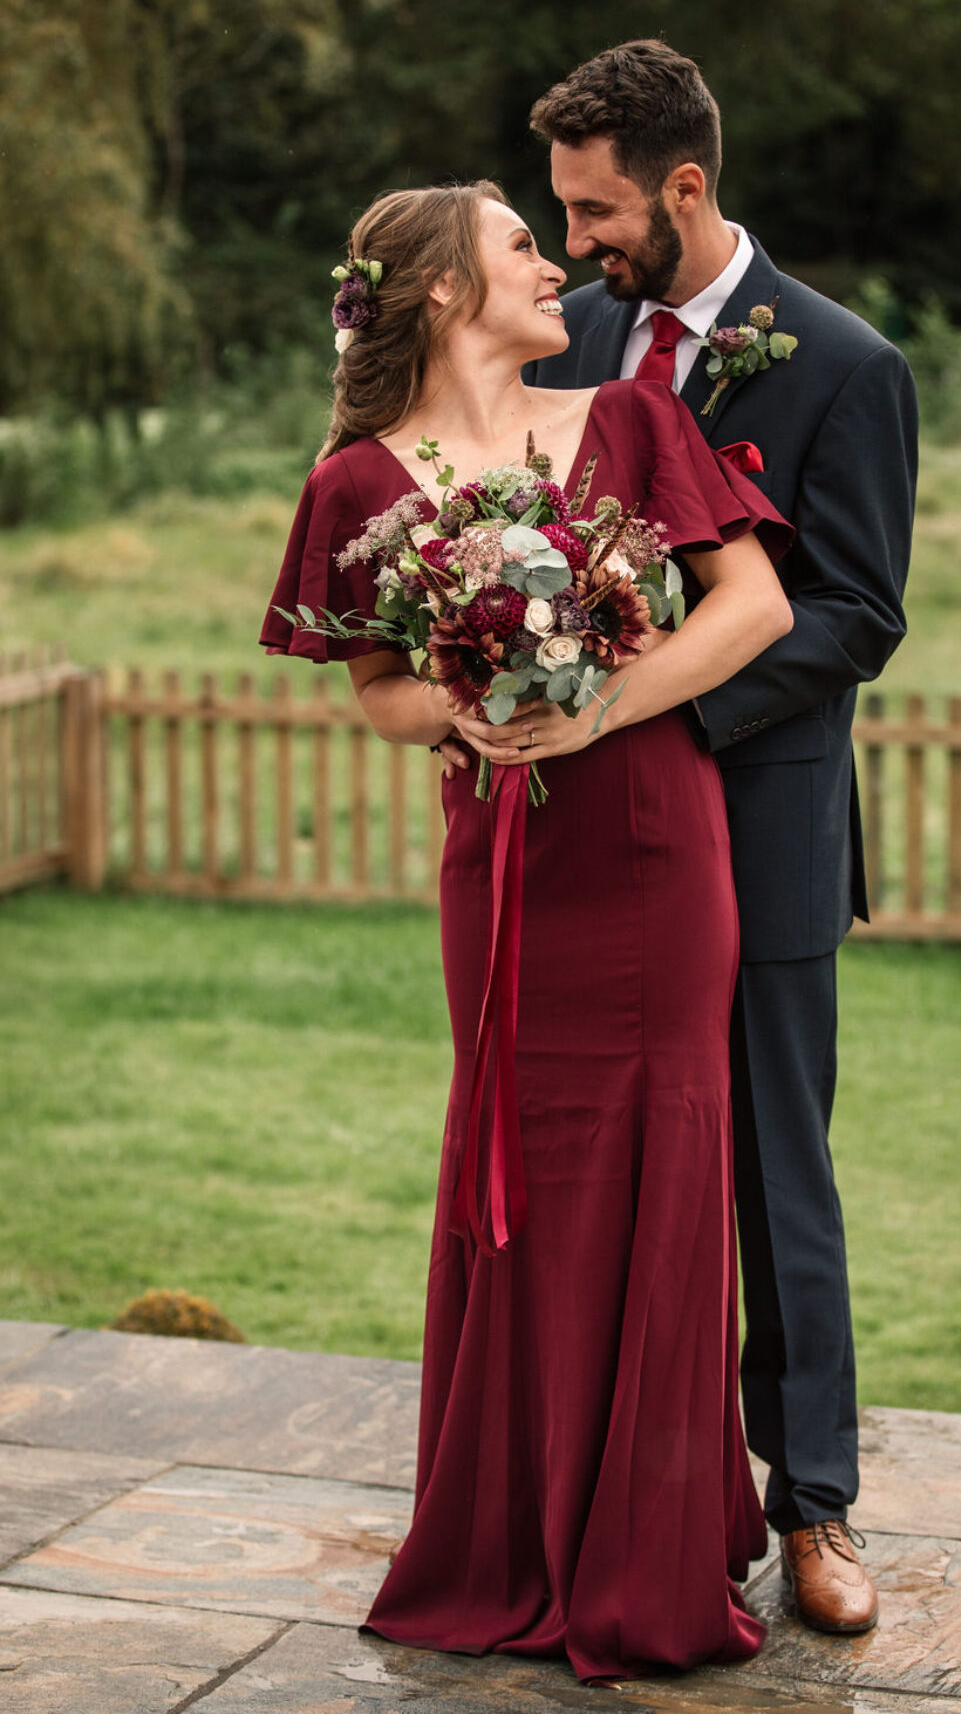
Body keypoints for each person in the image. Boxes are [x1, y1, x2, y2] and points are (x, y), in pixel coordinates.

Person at [259, 181, 795, 1681]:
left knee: (667, 1150)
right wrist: (475, 710)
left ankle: (653, 1542)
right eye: (517, 243)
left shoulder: (627, 422)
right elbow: (374, 691)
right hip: (504, 865)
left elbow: (751, 607)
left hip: (656, 846)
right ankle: (514, 1531)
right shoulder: (356, 483)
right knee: (524, 1153)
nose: (554, 261)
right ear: (439, 289)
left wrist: (594, 705)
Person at [507, 40, 918, 1636]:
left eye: (600, 210)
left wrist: (663, 701)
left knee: (773, 1173)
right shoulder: (582, 338)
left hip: (761, 826)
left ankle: (813, 1510)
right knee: (613, 1169)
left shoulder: (845, 362)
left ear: (688, 183)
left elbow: (858, 614)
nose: (581, 243)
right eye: (565, 212)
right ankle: (639, 1500)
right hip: (600, 839)